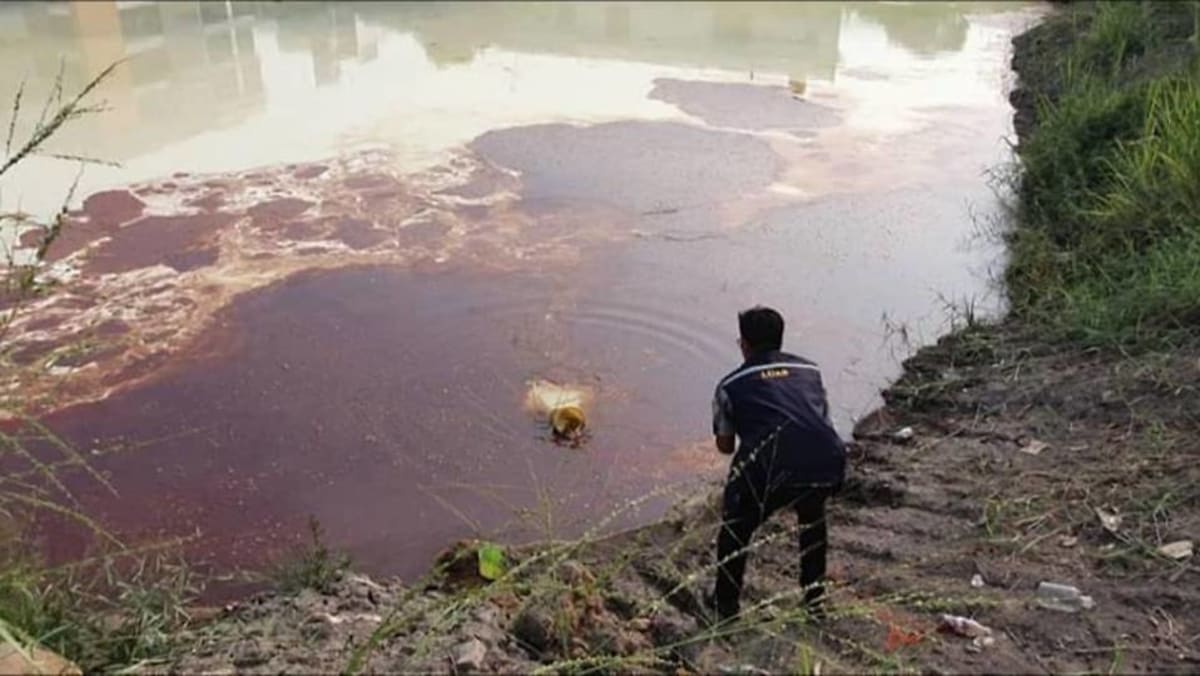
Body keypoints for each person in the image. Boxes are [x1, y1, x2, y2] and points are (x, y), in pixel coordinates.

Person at [709, 306, 846, 622]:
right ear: (780, 340)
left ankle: (725, 607)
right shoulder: (811, 371)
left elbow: (726, 447)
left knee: (736, 526)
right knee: (812, 519)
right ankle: (814, 601)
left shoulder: (729, 386)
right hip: (827, 462)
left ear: (744, 343)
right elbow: (818, 419)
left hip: (769, 471)